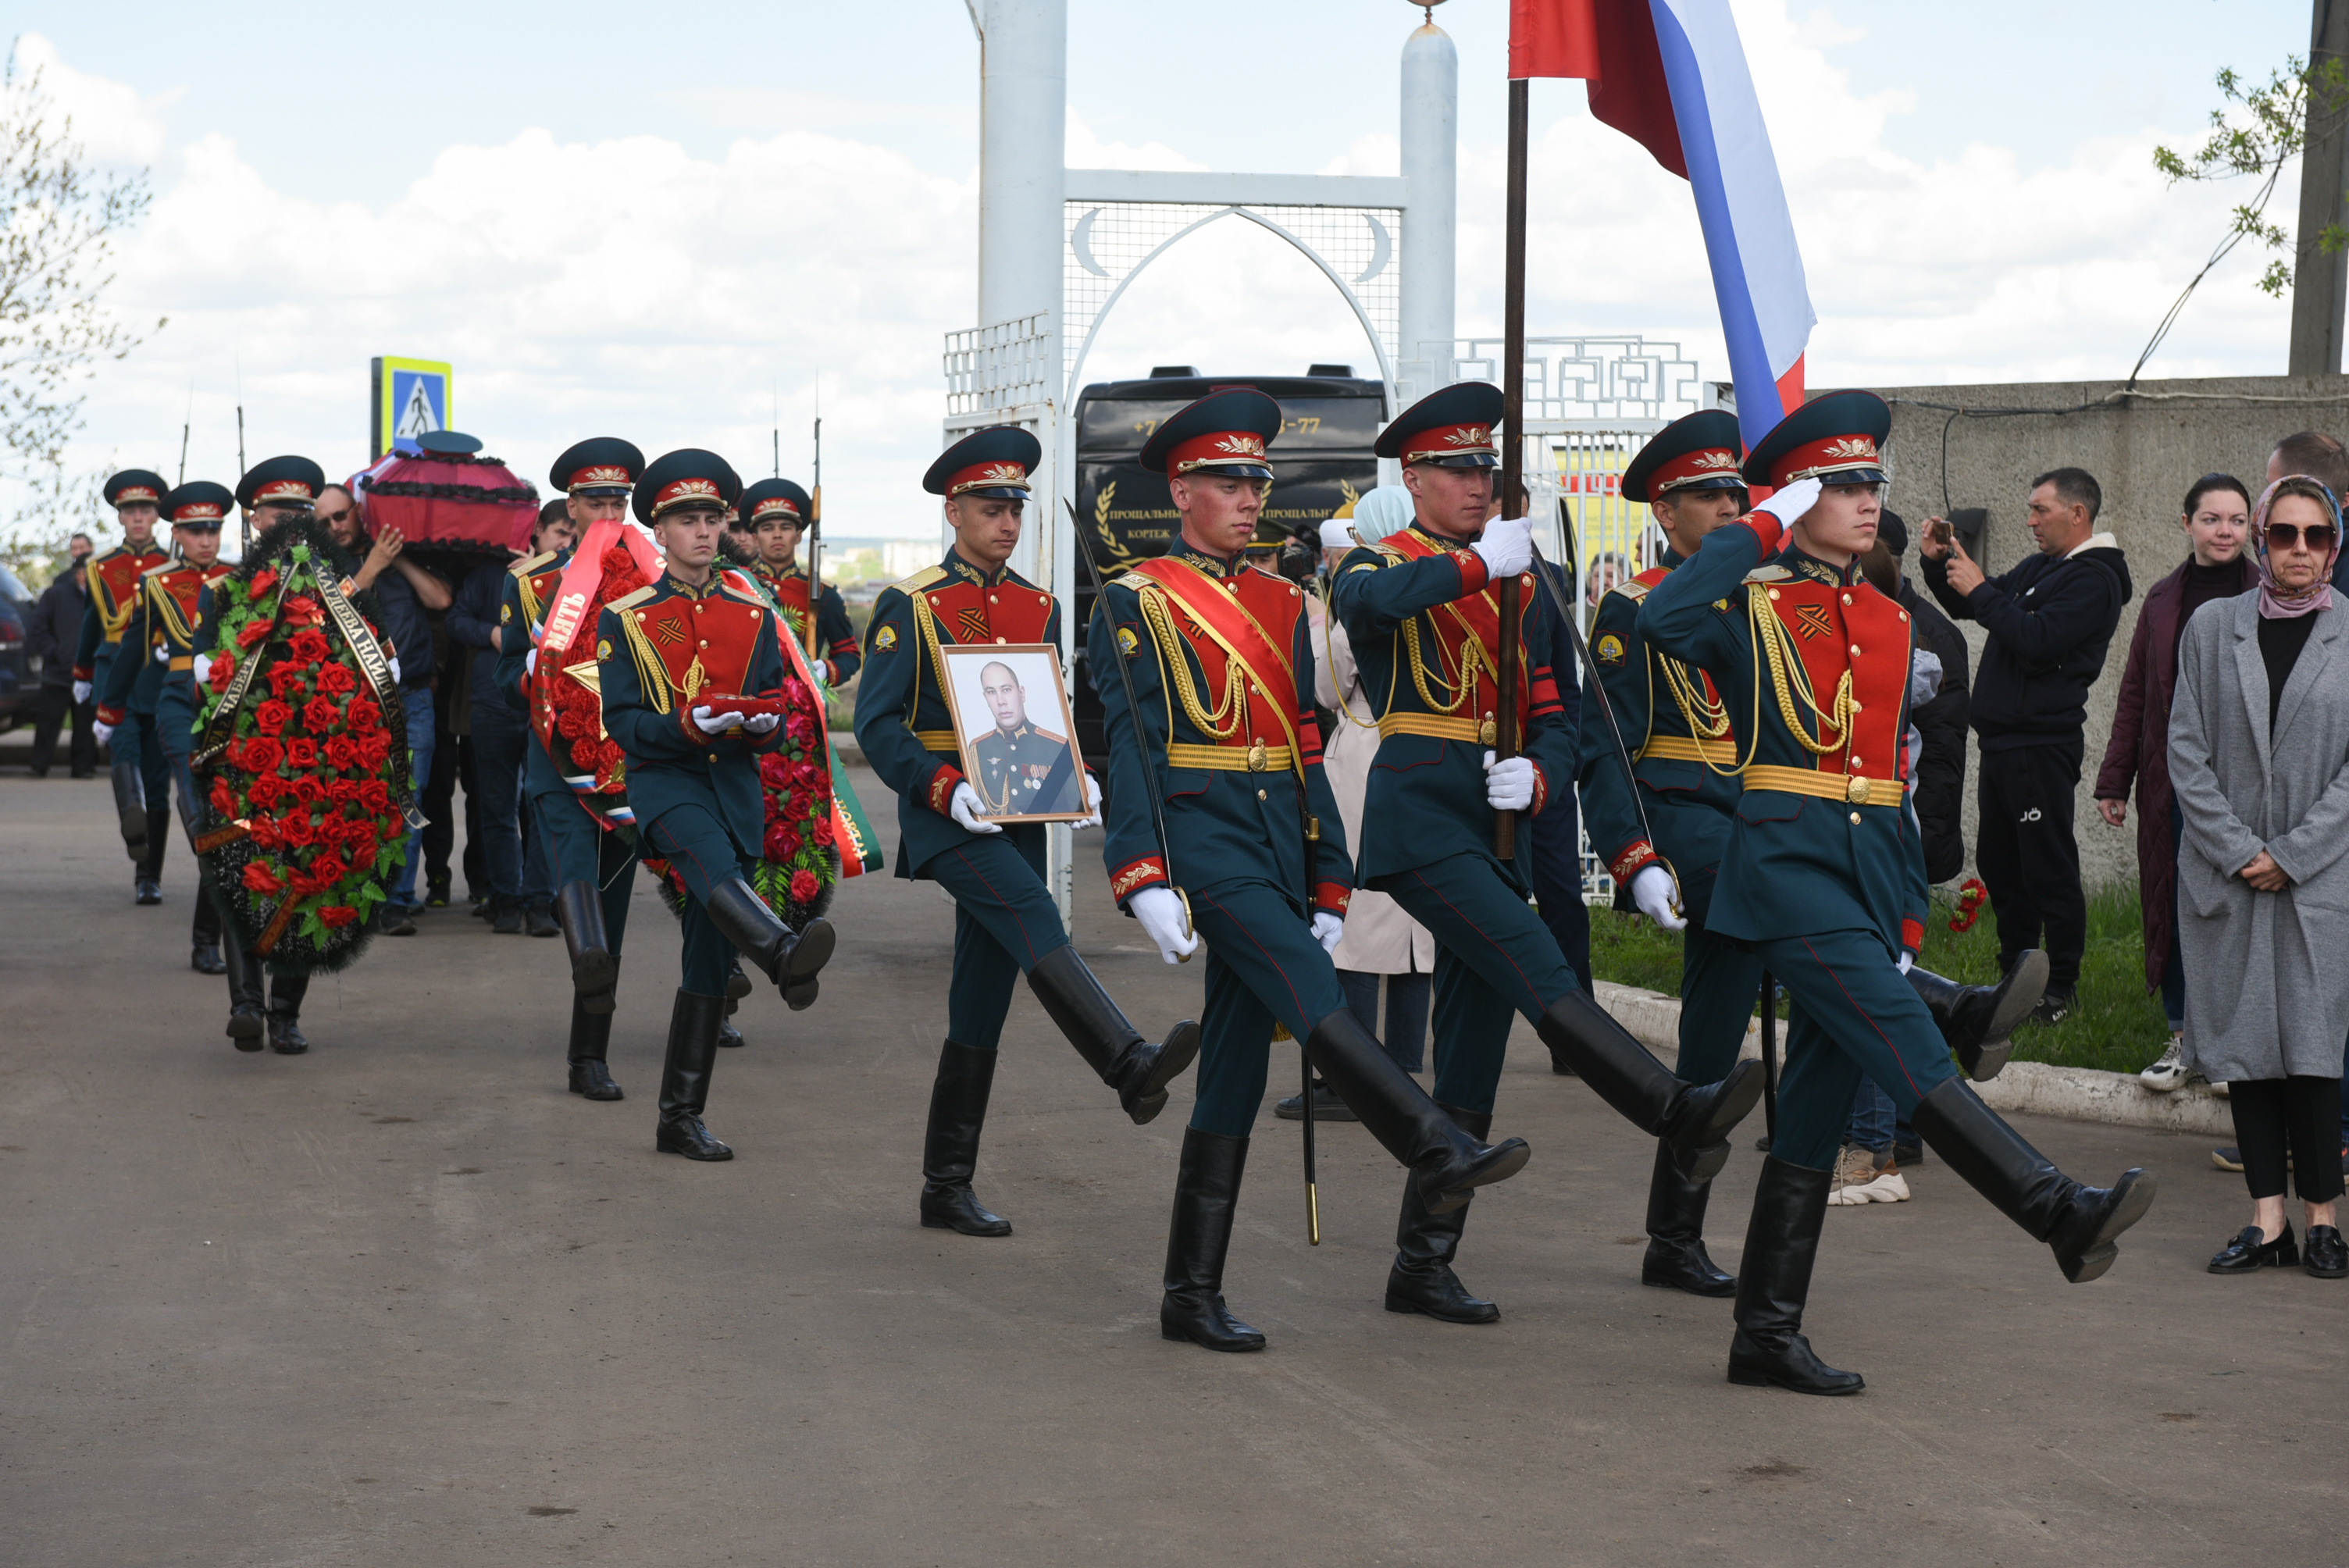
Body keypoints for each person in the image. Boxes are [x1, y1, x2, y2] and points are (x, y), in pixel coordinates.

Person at [1640, 391, 2155, 1395]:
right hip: (1783, 873)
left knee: (1816, 1110)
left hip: (1867, 873)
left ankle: (1764, 1333)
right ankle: (2052, 1207)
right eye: (1838, 484)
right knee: (1905, 1041)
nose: (1864, 498)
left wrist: (1905, 907)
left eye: (1871, 480)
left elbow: (1889, 769)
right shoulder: (1747, 600)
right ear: (1795, 497)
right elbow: (1659, 615)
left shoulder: (1884, 615)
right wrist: (1756, 523)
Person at [1094, 389, 1535, 1351]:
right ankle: (1432, 1141)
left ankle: (1189, 1291)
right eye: (1227, 481)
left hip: (1273, 840)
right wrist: (1140, 873)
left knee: (1233, 1068)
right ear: (1181, 489)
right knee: (1305, 984)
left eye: (1257, 480)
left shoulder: (1280, 600)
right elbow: (1127, 744)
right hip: (1201, 837)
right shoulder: (1136, 597)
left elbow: (1305, 745)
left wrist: (1329, 878)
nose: (1249, 498)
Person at [1328, 383, 1769, 1331]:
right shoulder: (1381, 559)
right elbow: (1373, 604)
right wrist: (1472, 569)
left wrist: (1535, 772)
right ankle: (1669, 1108)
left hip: (1494, 824)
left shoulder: (1521, 582)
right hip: (1418, 822)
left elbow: (1562, 712)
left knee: (1475, 1049)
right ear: (1413, 478)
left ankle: (1423, 1259)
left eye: (1486, 468)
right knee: (1535, 958)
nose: (1477, 484)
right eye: (1456, 470)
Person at [855, 426, 1199, 1232]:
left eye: (1014, 506)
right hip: (949, 818)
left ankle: (945, 1184)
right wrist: (941, 789)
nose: (1006, 521)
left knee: (979, 1001)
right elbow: (877, 726)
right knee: (1036, 915)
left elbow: (1045, 709)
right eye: (988, 506)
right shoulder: (909, 604)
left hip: (1017, 811)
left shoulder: (1036, 605)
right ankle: (1125, 1059)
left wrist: (1071, 767)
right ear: (953, 511)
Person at [597, 448, 839, 1160]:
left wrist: (761, 724)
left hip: (733, 784)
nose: (702, 533)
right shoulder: (626, 618)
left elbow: (773, 701)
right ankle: (781, 950)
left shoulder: (755, 612)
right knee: (706, 860)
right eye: (686, 521)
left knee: (705, 958)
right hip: (666, 785)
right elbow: (623, 723)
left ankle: (680, 1116)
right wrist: (682, 725)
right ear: (659, 531)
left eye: (711, 519)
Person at [2169, 475, 2349, 1280]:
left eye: (2314, 536)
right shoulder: (2212, 627)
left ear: (2333, 545)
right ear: (2258, 542)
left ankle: (2320, 1221)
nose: (2298, 550)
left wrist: (2293, 854)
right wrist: (2242, 850)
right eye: (2283, 534)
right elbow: (2183, 748)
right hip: (2227, 873)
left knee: (2311, 1050)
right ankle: (2265, 1220)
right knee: (2246, 1051)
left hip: (2319, 879)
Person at [1921, 468, 2132, 1024]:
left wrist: (1984, 590)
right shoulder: (2045, 568)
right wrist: (1941, 563)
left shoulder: (2096, 580)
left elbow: (2037, 641)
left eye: (2041, 510)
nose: (2031, 520)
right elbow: (1975, 605)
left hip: (2042, 746)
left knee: (2048, 868)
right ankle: (2014, 980)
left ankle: (2060, 987)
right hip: (2004, 746)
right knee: (2001, 865)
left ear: (2077, 514)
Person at [2094, 474, 2256, 1092]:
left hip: (2247, 791)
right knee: (2179, 909)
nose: (2224, 531)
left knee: (2240, 914)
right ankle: (2184, 1041)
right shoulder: (2162, 600)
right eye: (2211, 519)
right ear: (2185, 523)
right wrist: (2116, 780)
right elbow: (2136, 695)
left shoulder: (2269, 593)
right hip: (2175, 788)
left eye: (2237, 520)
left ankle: (2233, 1052)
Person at [1278, 510, 1435, 1123]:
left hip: (1368, 753)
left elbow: (1322, 686)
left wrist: (1319, 620)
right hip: (1428, 755)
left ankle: (1351, 1078)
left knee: (1357, 918)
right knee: (1415, 924)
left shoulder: (1368, 600)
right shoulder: (1438, 590)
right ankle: (1400, 1066)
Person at [486, 447, 623, 1093]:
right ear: (570, 509)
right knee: (577, 883)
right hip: (560, 764)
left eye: (618, 504)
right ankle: (587, 1060)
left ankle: (589, 1049)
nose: (607, 515)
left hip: (629, 771)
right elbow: (502, 672)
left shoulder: (647, 580)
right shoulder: (534, 583)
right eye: (595, 503)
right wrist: (536, 669)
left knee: (614, 910)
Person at [94, 482, 241, 977]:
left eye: (214, 529)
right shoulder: (156, 583)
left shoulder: (241, 579)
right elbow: (134, 645)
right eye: (196, 530)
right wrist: (109, 708)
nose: (206, 538)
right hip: (180, 703)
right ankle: (207, 943)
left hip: (232, 704)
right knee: (202, 819)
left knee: (228, 827)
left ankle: (208, 937)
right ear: (176, 532)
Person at [319, 481, 456, 933]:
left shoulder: (398, 555)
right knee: (354, 803)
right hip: (351, 704)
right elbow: (324, 620)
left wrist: (392, 556)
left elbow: (440, 600)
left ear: (359, 512)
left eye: (341, 516)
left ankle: (396, 900)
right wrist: (372, 567)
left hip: (412, 699)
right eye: (324, 522)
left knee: (408, 802)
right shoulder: (319, 567)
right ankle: (355, 894)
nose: (335, 527)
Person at [72, 472, 173, 893]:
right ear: (120, 517)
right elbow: (93, 623)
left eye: (145, 510)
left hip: (162, 677)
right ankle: (134, 825)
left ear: (156, 517)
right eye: (130, 511)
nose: (138, 518)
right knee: (124, 752)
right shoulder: (101, 567)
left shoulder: (171, 565)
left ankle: (149, 875)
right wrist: (82, 673)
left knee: (158, 782)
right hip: (117, 678)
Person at [733, 479, 861, 685]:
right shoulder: (737, 585)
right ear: (755, 538)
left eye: (785, 528)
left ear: (799, 536)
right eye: (767, 528)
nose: (777, 535)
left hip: (803, 706)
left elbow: (849, 654)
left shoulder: (820, 592)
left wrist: (826, 670)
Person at [27, 557, 96, 779]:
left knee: (85, 725)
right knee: (48, 722)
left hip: (89, 672)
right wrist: (54, 652)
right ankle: (39, 766)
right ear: (78, 573)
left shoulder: (102, 598)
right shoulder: (55, 594)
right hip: (57, 672)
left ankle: (83, 768)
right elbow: (38, 626)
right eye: (84, 571)